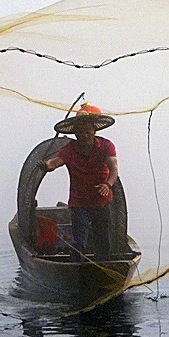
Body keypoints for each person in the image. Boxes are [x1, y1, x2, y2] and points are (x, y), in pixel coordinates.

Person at [43, 103, 118, 262]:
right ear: (75, 133)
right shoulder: (70, 149)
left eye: (87, 131)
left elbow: (114, 169)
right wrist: (48, 165)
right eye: (80, 132)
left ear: (94, 131)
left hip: (102, 202)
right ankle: (77, 270)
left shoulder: (106, 146)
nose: (84, 135)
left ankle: (101, 268)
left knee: (103, 241)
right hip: (80, 204)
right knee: (79, 243)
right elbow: (56, 161)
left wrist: (108, 184)